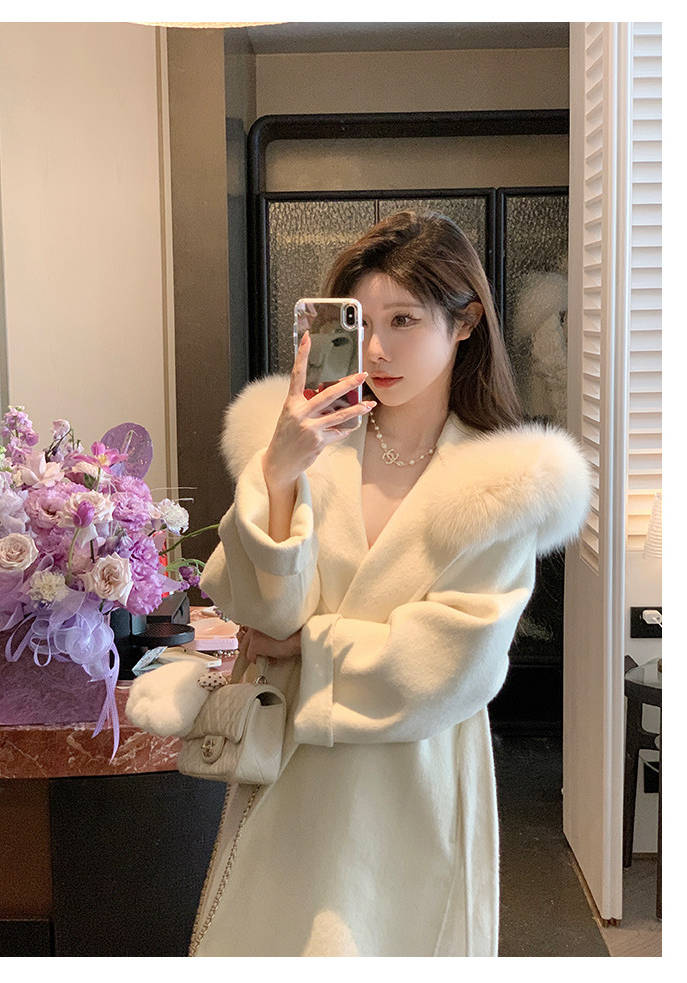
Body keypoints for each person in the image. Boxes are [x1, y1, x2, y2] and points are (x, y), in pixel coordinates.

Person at [127, 211, 592, 957]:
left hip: (414, 785)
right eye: (360, 322)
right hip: (292, 777)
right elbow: (259, 610)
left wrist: (306, 647)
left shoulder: (503, 484)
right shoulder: (306, 450)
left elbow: (455, 663)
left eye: (403, 319)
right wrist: (279, 472)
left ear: (465, 322)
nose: (375, 348)